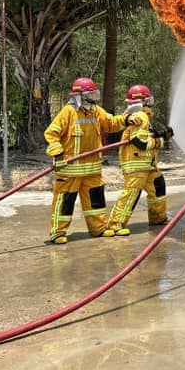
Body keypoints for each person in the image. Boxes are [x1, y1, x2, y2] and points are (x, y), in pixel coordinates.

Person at [44, 77, 127, 244]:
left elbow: (111, 123)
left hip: (92, 170)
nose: (94, 97)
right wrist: (57, 151)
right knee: (65, 202)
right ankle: (57, 233)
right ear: (80, 95)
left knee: (95, 201)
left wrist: (127, 119)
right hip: (69, 171)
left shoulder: (96, 111)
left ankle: (99, 228)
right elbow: (51, 133)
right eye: (91, 93)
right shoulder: (68, 112)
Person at [103, 84, 173, 237]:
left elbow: (144, 136)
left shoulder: (142, 116)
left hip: (148, 165)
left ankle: (158, 218)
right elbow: (138, 142)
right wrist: (159, 141)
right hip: (137, 164)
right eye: (149, 99)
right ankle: (115, 224)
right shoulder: (141, 116)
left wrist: (160, 134)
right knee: (131, 194)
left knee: (158, 186)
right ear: (143, 101)